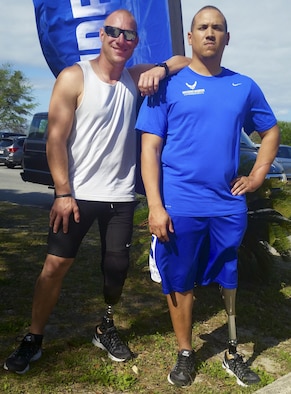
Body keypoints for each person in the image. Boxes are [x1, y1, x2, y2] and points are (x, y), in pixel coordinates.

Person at [4, 9, 190, 375]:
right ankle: (33, 338)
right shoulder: (74, 77)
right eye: (113, 32)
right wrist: (62, 192)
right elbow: (55, 138)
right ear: (102, 36)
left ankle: (104, 326)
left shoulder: (135, 78)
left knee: (116, 270)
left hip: (120, 197)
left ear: (135, 43)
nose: (121, 40)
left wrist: (161, 69)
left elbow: (184, 60)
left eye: (129, 36)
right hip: (76, 195)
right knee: (55, 266)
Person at [136, 5, 280, 389]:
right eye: (202, 27)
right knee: (179, 280)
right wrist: (155, 206)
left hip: (227, 207)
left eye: (218, 28)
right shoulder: (167, 86)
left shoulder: (243, 86)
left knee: (229, 276)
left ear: (227, 38)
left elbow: (270, 132)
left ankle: (232, 350)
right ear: (190, 37)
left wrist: (257, 175)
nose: (210, 33)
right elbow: (149, 150)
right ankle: (185, 352)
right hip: (180, 207)